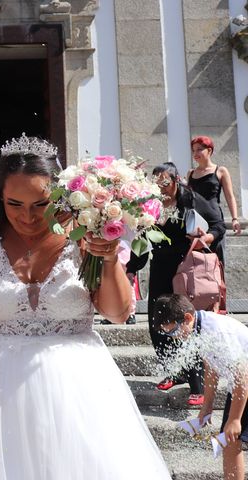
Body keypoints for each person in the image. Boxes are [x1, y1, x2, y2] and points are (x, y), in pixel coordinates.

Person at [0, 136, 171, 479]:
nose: (26, 217)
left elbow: (117, 314)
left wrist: (107, 259)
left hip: (76, 386)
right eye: (14, 204)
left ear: (59, 196)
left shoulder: (84, 233)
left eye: (39, 204)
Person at [149, 162, 225, 406]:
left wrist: (207, 236)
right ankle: (174, 371)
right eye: (156, 184)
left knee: (186, 323)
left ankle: (197, 383)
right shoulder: (149, 203)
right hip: (160, 267)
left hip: (184, 268)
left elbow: (218, 225)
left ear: (176, 180)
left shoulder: (191, 198)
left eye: (165, 183)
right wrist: (131, 266)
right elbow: (142, 234)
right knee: (157, 321)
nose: (161, 189)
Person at [153, 294, 248, 480]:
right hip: (240, 386)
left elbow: (243, 376)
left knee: (231, 438)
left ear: (187, 318)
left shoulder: (217, 332)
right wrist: (208, 404)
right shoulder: (200, 328)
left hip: (244, 383)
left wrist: (235, 419)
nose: (174, 338)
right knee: (230, 441)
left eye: (173, 332)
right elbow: (211, 367)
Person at [187, 135, 242, 264]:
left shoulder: (220, 171)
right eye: (193, 150)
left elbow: (230, 196)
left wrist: (235, 219)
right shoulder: (190, 173)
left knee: (217, 263)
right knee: (197, 265)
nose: (195, 153)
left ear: (209, 151)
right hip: (196, 224)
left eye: (199, 149)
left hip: (214, 223)